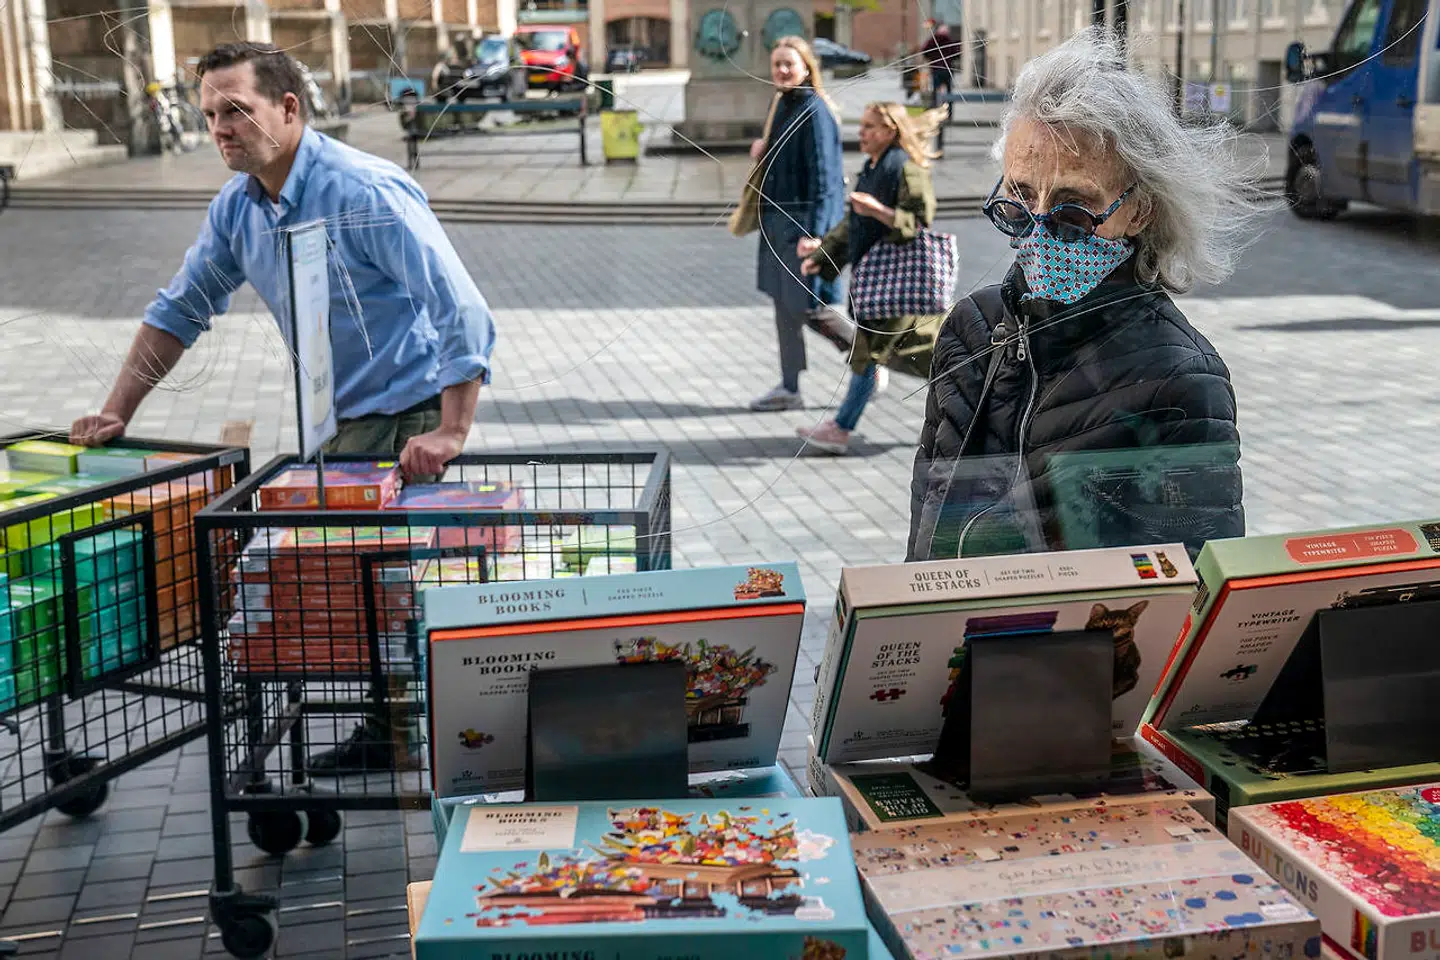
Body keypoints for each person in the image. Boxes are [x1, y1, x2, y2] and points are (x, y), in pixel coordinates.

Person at [70, 42, 498, 773]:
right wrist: (118, 411)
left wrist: (452, 429)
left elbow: (458, 306)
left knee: (380, 579)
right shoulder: (239, 209)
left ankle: (401, 733)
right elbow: (179, 310)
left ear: (289, 107)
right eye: (209, 114)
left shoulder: (362, 191)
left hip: (407, 412)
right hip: (336, 418)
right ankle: (394, 728)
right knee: (367, 579)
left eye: (235, 110)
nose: (220, 128)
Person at [908, 27, 1272, 563]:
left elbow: (1189, 585)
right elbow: (926, 522)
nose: (1038, 229)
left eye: (1073, 208)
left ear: (1139, 211)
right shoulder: (971, 328)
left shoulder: (1181, 379)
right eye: (1019, 199)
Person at [795, 102, 947, 455]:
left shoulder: (906, 167)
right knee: (920, 354)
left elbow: (919, 222)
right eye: (862, 125)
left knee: (868, 354)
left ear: (890, 131)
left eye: (869, 127)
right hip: (877, 282)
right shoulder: (873, 166)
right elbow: (854, 224)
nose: (861, 133)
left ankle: (841, 428)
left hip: (897, 280)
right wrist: (822, 255)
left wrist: (878, 211)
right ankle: (964, 388)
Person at [748, 35, 846, 413]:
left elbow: (825, 178)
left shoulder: (814, 110)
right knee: (783, 304)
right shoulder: (781, 104)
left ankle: (869, 357)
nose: (782, 70)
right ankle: (789, 387)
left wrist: (818, 233)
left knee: (808, 306)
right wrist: (763, 149)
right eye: (777, 64)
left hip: (801, 226)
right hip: (776, 224)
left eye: (789, 63)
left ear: (807, 67)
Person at [920, 21, 960, 109]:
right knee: (949, 92)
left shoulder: (932, 41)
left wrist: (931, 58)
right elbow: (956, 54)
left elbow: (924, 50)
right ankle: (949, 111)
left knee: (935, 91)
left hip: (936, 69)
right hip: (947, 69)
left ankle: (935, 109)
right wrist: (949, 59)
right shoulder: (949, 41)